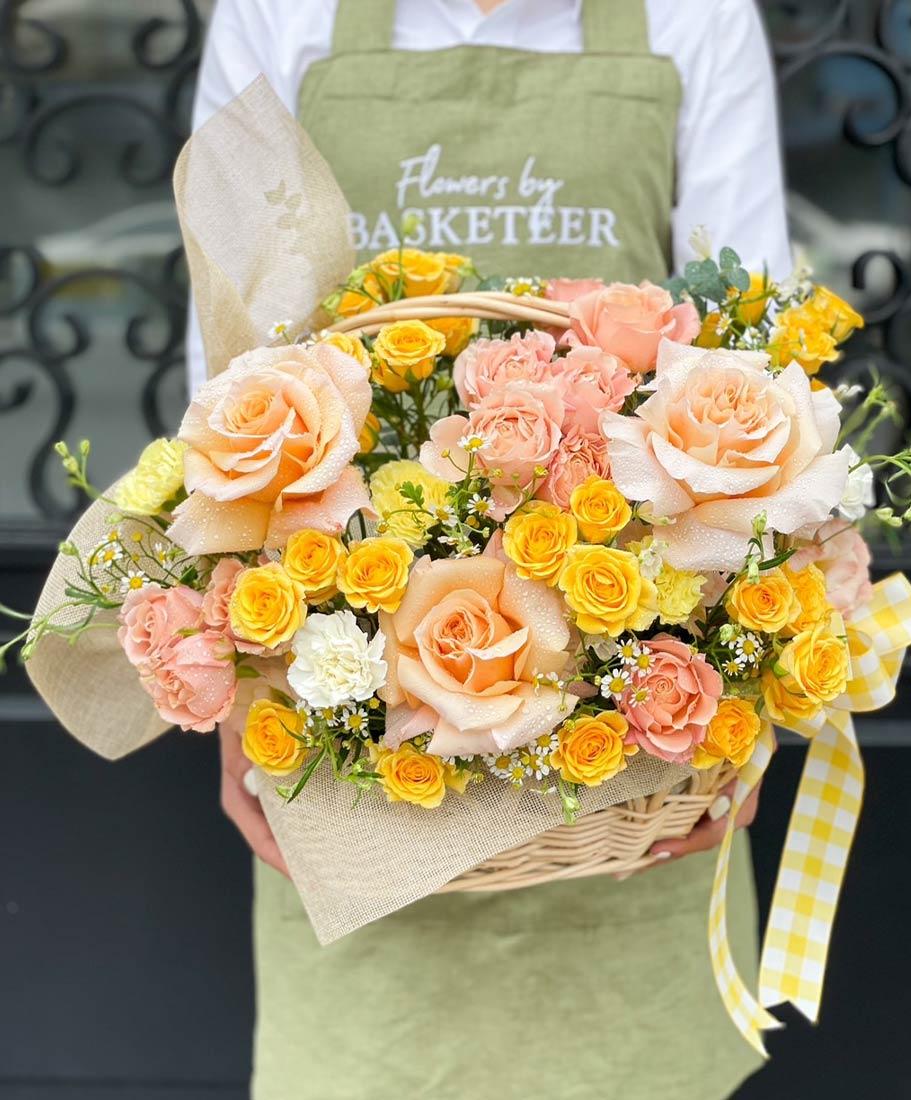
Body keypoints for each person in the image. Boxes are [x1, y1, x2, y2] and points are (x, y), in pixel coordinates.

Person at [190, 2, 791, 1097]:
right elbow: (228, 364)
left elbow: (756, 355)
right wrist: (236, 685)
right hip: (360, 731)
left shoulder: (696, 15)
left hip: (632, 744)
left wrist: (759, 682)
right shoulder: (281, 10)